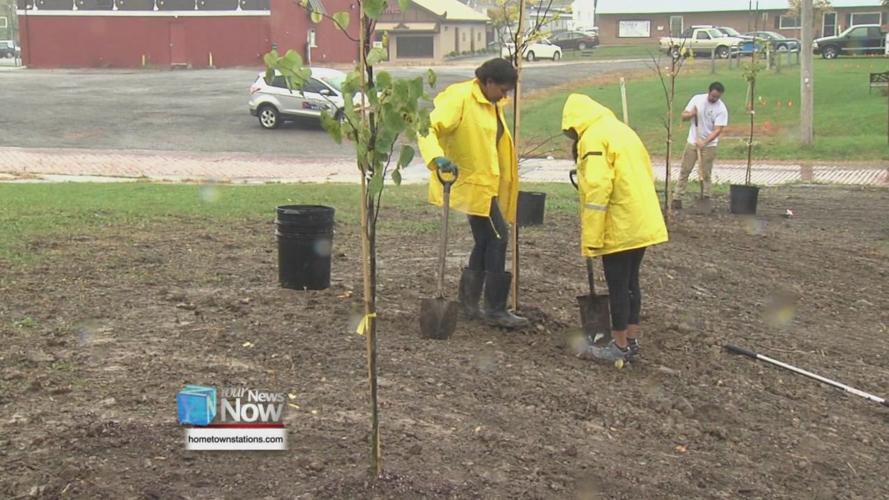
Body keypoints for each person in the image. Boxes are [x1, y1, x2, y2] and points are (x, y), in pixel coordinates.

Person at [418, 58, 529, 330]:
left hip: (485, 185)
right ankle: (494, 309)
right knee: (498, 237)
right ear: (488, 82)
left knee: (484, 240)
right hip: (469, 184)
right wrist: (437, 158)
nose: (505, 96)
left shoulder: (490, 103)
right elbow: (427, 128)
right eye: (502, 90)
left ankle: (469, 305)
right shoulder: (461, 98)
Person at [561, 94, 669, 362]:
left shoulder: (593, 138)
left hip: (620, 222)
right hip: (641, 218)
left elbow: (598, 188)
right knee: (632, 281)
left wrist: (592, 238)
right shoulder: (622, 130)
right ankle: (631, 340)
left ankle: (618, 347)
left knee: (618, 284)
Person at [674, 81, 728, 209]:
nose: (714, 99)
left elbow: (718, 130)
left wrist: (704, 142)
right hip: (692, 141)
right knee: (685, 170)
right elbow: (683, 116)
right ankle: (677, 197)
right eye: (713, 96)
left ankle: (706, 196)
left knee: (706, 173)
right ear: (708, 92)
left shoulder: (721, 109)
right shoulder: (697, 99)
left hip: (709, 145)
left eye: (717, 97)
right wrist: (691, 114)